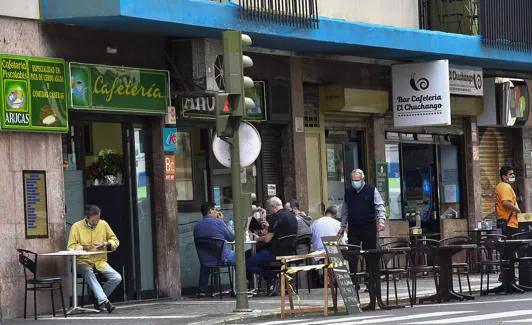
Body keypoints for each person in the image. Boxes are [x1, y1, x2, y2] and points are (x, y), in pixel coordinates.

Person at [336, 169, 386, 310]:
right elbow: (345, 210)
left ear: (363, 179)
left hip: (369, 227)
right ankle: (354, 282)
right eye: (353, 180)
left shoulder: (371, 190)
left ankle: (372, 285)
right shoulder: (349, 192)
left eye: (357, 180)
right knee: (353, 256)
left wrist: (381, 221)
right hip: (354, 229)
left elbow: (379, 206)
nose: (355, 182)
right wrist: (342, 226)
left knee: (371, 257)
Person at [67, 205, 121, 313]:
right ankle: (105, 302)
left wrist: (107, 243)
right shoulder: (76, 227)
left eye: (98, 219)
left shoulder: (103, 224)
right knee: (88, 273)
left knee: (117, 277)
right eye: (94, 220)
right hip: (82, 262)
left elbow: (115, 240)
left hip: (99, 261)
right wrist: (84, 247)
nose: (96, 222)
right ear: (86, 218)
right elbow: (71, 247)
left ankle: (99, 299)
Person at [246, 197, 298, 284]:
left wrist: (258, 238)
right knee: (250, 254)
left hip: (275, 253)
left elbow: (267, 239)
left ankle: (273, 277)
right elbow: (281, 231)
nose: (269, 212)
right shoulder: (292, 217)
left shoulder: (276, 217)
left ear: (273, 207)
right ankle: (274, 280)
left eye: (269, 209)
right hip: (289, 252)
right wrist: (268, 227)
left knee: (248, 263)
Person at [193, 202, 235, 296]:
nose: (216, 211)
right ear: (210, 211)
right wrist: (222, 221)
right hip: (222, 258)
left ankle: (202, 290)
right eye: (215, 209)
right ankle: (239, 287)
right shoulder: (219, 223)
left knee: (206, 261)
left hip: (205, 260)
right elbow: (231, 238)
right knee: (240, 258)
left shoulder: (197, 227)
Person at [496, 165, 521, 237]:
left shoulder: (499, 186)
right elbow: (506, 203)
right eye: (510, 174)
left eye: (513, 174)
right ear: (504, 177)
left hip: (504, 223)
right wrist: (518, 210)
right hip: (509, 224)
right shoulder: (505, 186)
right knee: (512, 247)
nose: (513, 175)